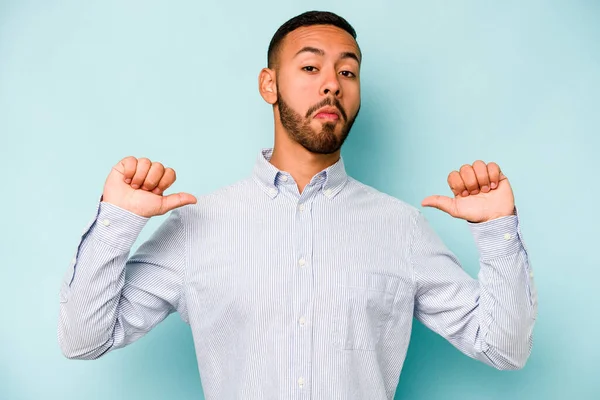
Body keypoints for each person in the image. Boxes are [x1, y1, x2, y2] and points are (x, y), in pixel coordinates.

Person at [57, 10, 537, 400]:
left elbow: (503, 348)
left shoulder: (401, 228)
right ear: (269, 84)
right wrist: (116, 222)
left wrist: (497, 230)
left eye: (347, 71)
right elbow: (84, 340)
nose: (332, 84)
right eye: (311, 67)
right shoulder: (197, 226)